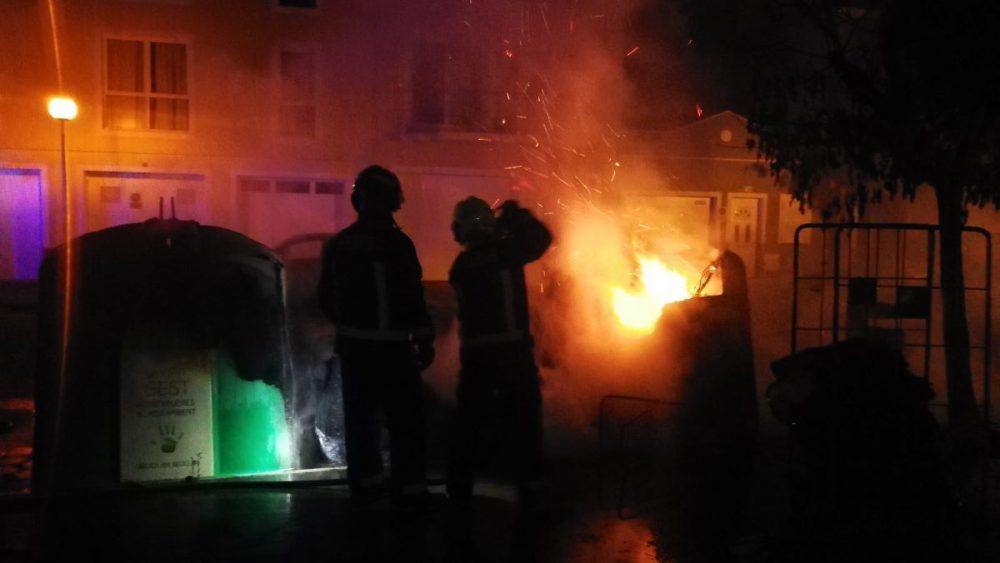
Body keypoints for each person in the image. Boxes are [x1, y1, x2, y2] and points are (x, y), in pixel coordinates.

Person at [317, 165, 435, 505]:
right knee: (406, 423)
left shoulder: (341, 244)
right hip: (397, 351)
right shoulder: (401, 244)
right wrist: (424, 339)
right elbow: (414, 297)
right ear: (394, 202)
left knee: (361, 424)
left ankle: (366, 491)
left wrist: (350, 326)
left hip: (357, 351)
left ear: (358, 199)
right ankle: (411, 491)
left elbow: (326, 297)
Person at [446, 197, 552, 508]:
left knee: (468, 426)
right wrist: (519, 216)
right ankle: (532, 493)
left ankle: (460, 489)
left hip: (477, 360)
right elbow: (543, 239)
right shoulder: (507, 254)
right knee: (525, 425)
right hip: (512, 356)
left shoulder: (461, 266)